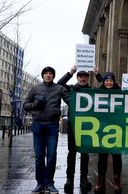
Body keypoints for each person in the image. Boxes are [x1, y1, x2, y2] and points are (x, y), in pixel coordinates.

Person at [23, 66, 69, 194]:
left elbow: (71, 100)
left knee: (52, 156)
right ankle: (40, 183)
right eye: (46, 73)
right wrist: (35, 105)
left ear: (53, 76)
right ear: (42, 75)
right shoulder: (35, 88)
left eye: (50, 74)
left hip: (52, 126)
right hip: (37, 125)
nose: (48, 75)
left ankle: (49, 183)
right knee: (39, 157)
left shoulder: (59, 89)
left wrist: (77, 93)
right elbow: (25, 105)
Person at [57, 65, 101, 192]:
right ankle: (69, 178)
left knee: (85, 152)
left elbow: (104, 88)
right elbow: (60, 83)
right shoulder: (72, 88)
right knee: (72, 152)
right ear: (77, 77)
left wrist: (97, 74)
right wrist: (70, 72)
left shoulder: (91, 89)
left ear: (87, 78)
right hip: (73, 125)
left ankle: (83, 178)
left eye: (85, 77)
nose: (82, 79)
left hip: (87, 126)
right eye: (80, 77)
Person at [94, 72, 123, 193]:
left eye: (111, 81)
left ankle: (117, 181)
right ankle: (100, 181)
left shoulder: (120, 92)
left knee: (117, 156)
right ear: (104, 82)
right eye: (106, 80)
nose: (109, 82)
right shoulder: (98, 92)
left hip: (117, 129)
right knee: (102, 157)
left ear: (114, 82)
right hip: (102, 129)